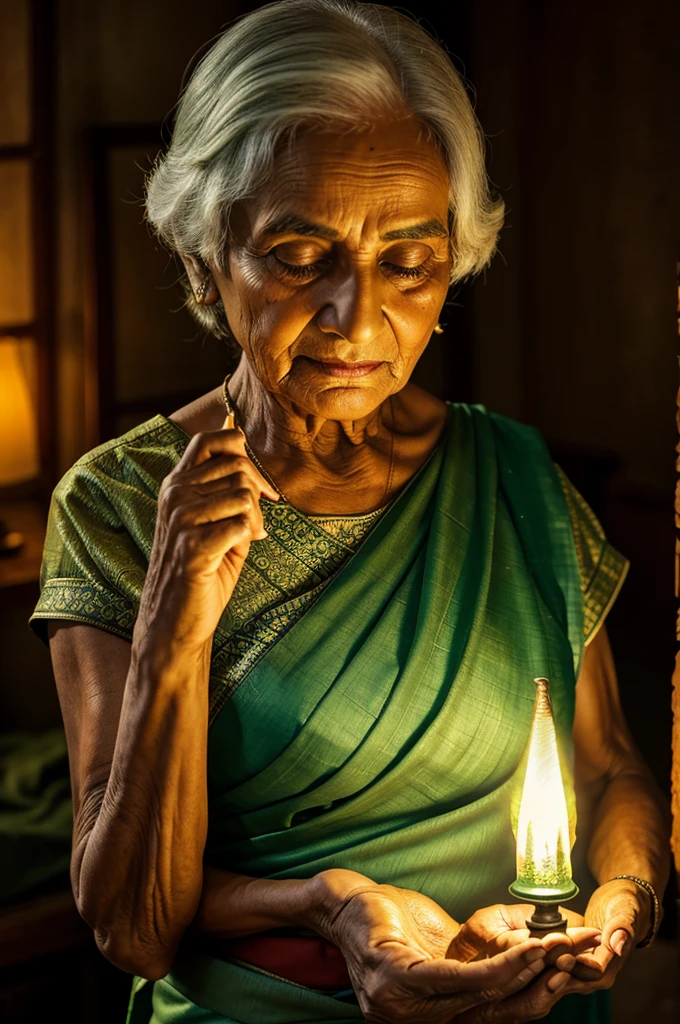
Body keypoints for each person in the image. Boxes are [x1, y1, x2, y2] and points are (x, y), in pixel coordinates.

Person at [29, 2, 669, 1022]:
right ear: (204, 258)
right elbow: (133, 929)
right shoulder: (120, 503)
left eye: (406, 261)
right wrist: (171, 629)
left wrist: (618, 904)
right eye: (296, 254)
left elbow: (611, 768)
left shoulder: (510, 474)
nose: (354, 315)